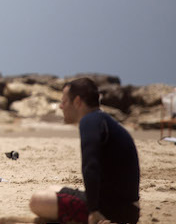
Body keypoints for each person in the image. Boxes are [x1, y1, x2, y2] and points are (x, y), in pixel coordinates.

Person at [28, 78, 140, 224]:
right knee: (51, 189)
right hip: (125, 205)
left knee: (37, 201)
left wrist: (93, 211)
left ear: (77, 102)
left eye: (64, 102)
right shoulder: (102, 120)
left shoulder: (89, 122)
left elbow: (90, 166)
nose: (61, 107)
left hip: (114, 211)